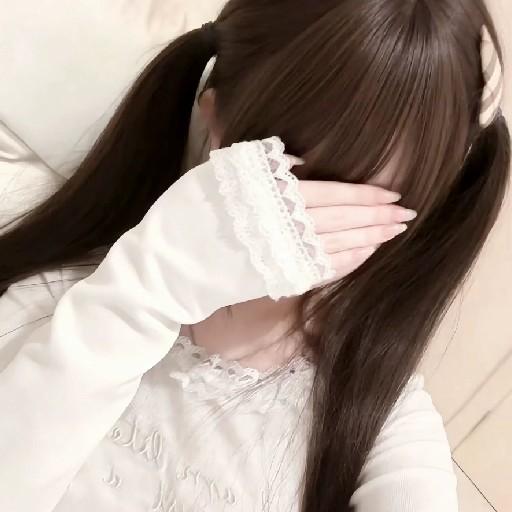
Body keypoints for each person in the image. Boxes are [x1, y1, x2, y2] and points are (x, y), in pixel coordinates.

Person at [0, 0, 509, 511]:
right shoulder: (64, 308)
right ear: (216, 121)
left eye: (380, 206)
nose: (328, 230)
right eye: (309, 185)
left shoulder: (377, 421)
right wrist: (143, 292)